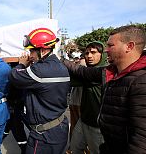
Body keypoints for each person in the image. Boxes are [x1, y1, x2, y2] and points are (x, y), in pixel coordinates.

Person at [62, 25, 146, 153]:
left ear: (129, 46)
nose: (106, 50)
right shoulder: (108, 71)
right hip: (97, 133)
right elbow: (81, 71)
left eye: (110, 45)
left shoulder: (141, 81)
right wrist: (60, 60)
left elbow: (141, 139)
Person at [9, 27, 70, 153]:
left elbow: (13, 76)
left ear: (43, 50)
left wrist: (21, 64)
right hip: (59, 127)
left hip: (44, 135)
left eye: (32, 51)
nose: (30, 55)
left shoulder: (40, 70)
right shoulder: (60, 66)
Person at [68, 42, 106, 154]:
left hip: (97, 126)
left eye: (93, 52)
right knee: (75, 149)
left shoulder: (103, 71)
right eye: (87, 53)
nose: (89, 56)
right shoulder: (86, 73)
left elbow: (78, 75)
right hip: (83, 120)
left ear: (102, 54)